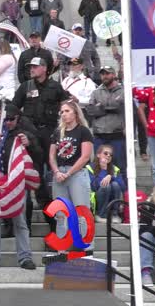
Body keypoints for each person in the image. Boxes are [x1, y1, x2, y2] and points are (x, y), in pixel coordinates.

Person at [12, 57, 72, 230]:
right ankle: (28, 225)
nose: (32, 69)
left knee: (52, 175)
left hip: (50, 133)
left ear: (45, 68)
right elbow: (14, 108)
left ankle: (56, 223)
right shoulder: (26, 87)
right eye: (30, 66)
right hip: (31, 134)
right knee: (34, 176)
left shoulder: (55, 87)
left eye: (35, 66)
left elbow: (66, 106)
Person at [0, 104, 39, 270]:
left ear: (17, 118)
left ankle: (25, 256)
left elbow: (39, 155)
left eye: (11, 119)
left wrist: (30, 145)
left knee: (20, 222)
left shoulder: (24, 135)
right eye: (5, 119)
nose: (8, 123)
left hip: (17, 184)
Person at [49, 101, 94, 244]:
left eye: (67, 111)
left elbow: (85, 156)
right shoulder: (57, 132)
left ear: (75, 113)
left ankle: (85, 249)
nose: (64, 114)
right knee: (61, 214)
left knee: (81, 213)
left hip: (77, 173)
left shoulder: (83, 131)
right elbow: (51, 155)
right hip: (59, 173)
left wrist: (68, 174)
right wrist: (56, 172)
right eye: (62, 112)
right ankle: (62, 248)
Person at [87, 66, 126, 180]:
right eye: (102, 74)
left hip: (117, 135)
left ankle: (122, 194)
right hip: (100, 135)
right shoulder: (96, 92)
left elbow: (121, 108)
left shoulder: (123, 90)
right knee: (99, 166)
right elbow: (91, 110)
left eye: (107, 74)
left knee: (120, 166)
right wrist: (111, 108)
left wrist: (102, 107)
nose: (105, 76)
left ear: (113, 75)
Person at [86, 144, 125, 223]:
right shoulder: (89, 167)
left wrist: (111, 176)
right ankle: (101, 215)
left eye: (110, 155)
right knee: (106, 186)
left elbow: (123, 187)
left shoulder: (114, 169)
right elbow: (93, 186)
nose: (108, 156)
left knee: (115, 185)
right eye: (105, 153)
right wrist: (103, 170)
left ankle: (114, 214)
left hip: (111, 199)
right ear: (98, 155)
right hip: (97, 201)